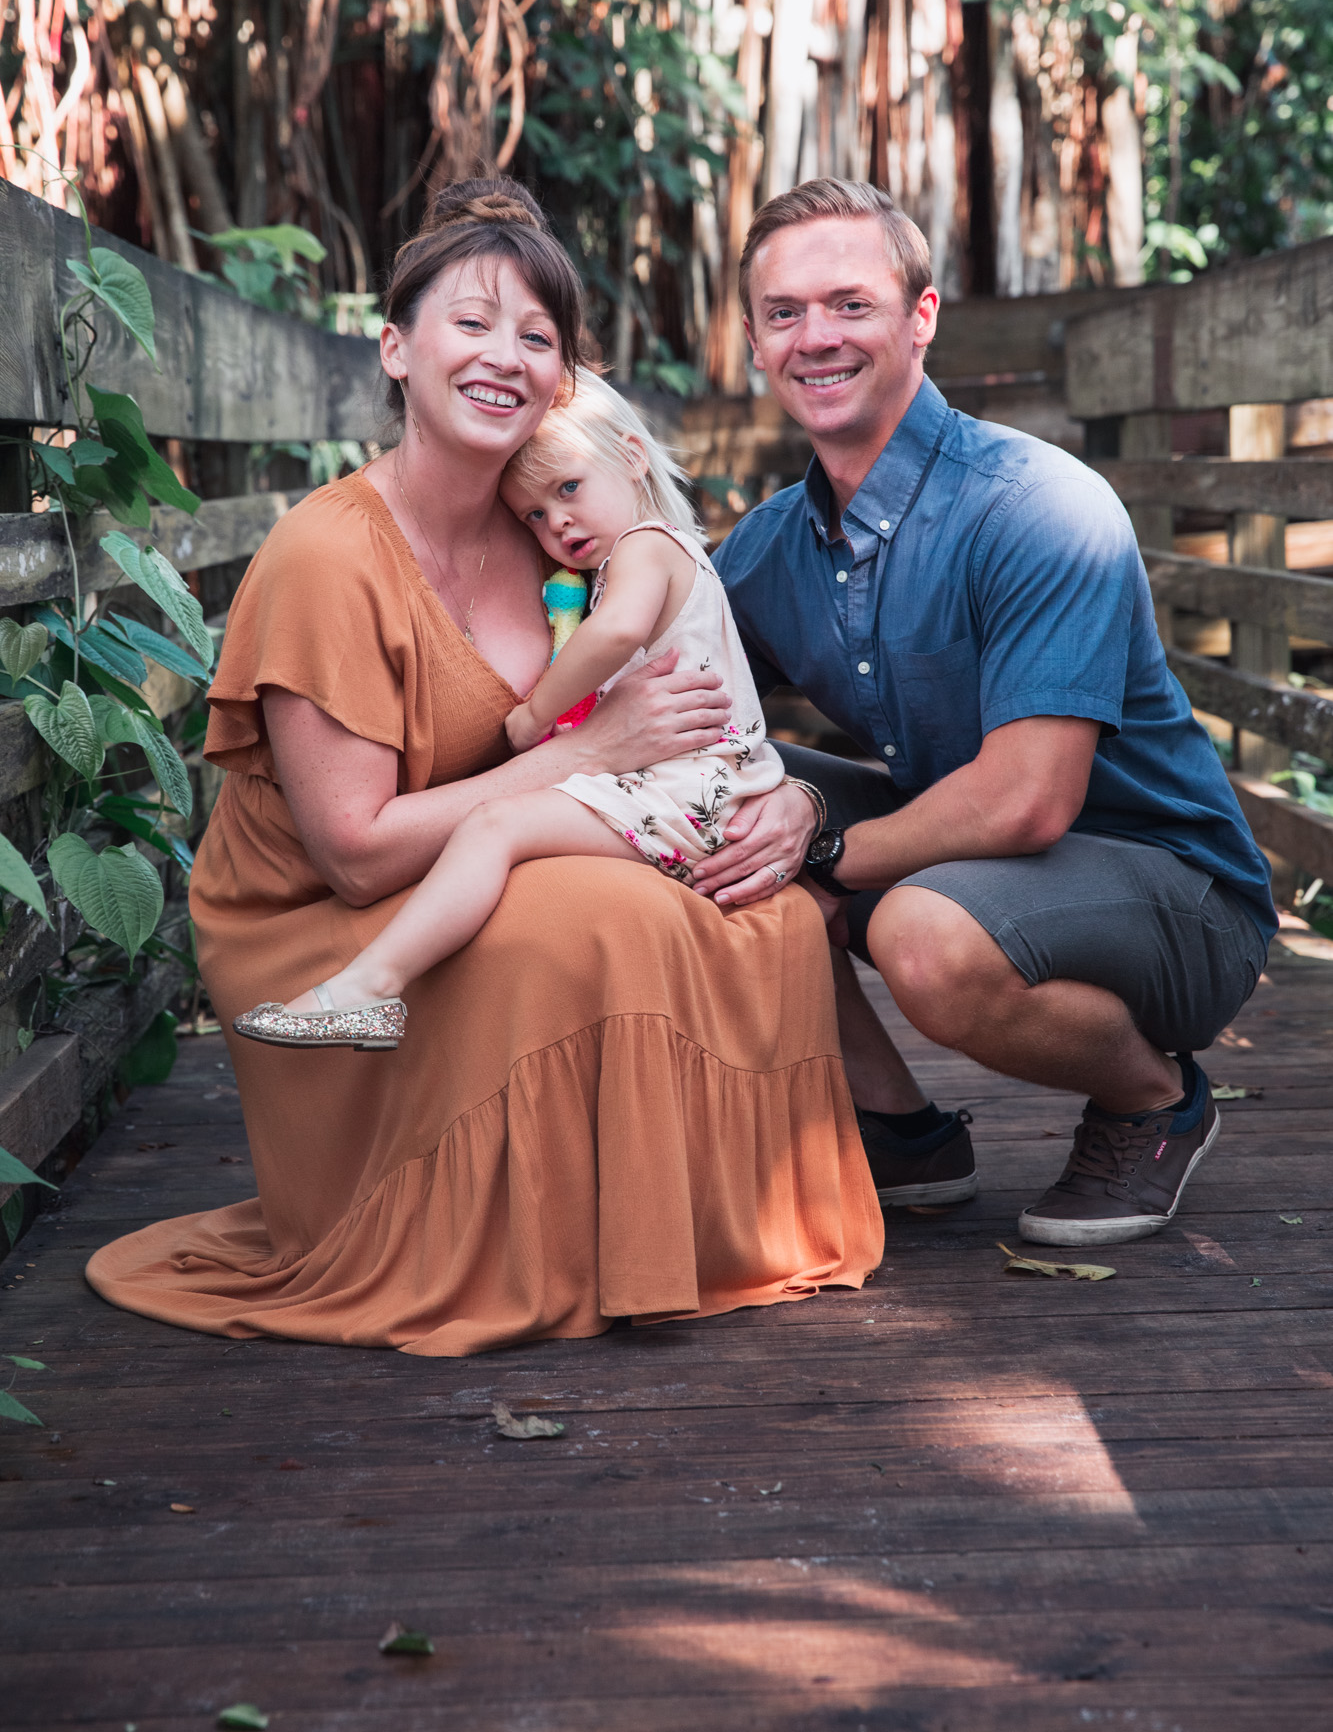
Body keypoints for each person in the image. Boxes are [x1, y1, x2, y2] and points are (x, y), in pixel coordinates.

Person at [86, 177, 882, 1355]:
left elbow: (707, 693)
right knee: (613, 920)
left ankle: (745, 1202)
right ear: (396, 348)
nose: (505, 354)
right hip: (328, 918)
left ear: (567, 381)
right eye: (470, 322)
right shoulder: (328, 557)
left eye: (537, 336)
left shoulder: (556, 530)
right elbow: (354, 855)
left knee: (761, 906)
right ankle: (564, 1240)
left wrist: (797, 797)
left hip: (481, 851)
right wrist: (593, 750)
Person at [707, 177, 1277, 1248]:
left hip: (1178, 898)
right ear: (752, 340)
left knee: (921, 935)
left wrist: (820, 848)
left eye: (850, 304)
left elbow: (1026, 800)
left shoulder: (1036, 506)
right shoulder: (773, 545)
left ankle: (1153, 1102)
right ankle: (901, 1131)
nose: (815, 337)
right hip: (969, 861)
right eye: (784, 312)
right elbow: (651, 684)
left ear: (920, 316)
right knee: (705, 810)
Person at [230, 373, 792, 1049]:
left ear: (632, 457)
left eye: (569, 489)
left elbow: (614, 633)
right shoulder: (635, 557)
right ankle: (369, 985)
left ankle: (371, 985)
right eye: (533, 515)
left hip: (688, 791)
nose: (556, 522)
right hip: (691, 787)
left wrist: (532, 716)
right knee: (505, 833)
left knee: (494, 826)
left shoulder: (647, 545)